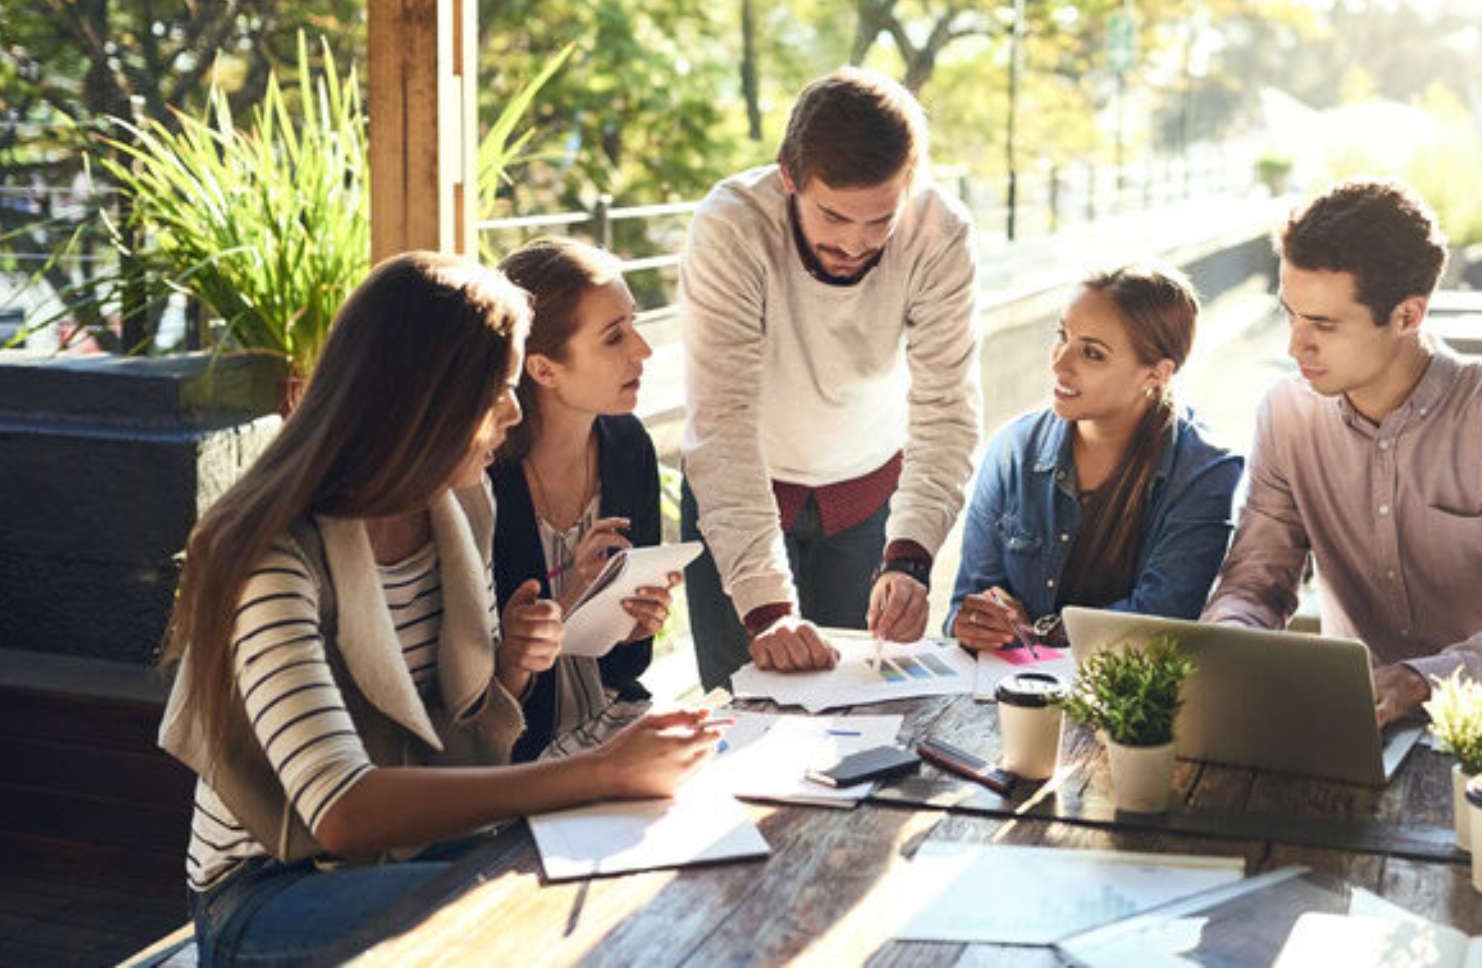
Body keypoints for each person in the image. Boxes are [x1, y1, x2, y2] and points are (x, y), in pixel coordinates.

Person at [158, 253, 721, 965]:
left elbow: (460, 728)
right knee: (538, 928)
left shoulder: (461, 508)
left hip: (424, 852)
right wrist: (600, 772)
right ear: (425, 401)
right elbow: (341, 811)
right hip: (270, 888)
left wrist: (512, 669)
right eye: (499, 390)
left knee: (643, 886)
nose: (515, 412)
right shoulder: (273, 558)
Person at [1202, 179, 1482, 727]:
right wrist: (1228, 647)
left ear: (1408, 316)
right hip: (1346, 726)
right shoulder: (1287, 414)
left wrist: (1417, 683)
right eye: (1290, 314)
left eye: (1323, 324)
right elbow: (1254, 585)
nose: (1295, 345)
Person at [679, 67, 982, 688]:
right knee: (744, 709)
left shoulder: (941, 233)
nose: (855, 244)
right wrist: (767, 609)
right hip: (741, 493)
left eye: (879, 220)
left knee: (856, 708)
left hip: (870, 496)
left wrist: (911, 558)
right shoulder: (733, 225)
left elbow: (947, 410)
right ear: (789, 177)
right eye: (835, 217)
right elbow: (722, 422)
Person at [948, 266, 1242, 650]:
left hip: (1128, 685)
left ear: (1156, 374)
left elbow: (1163, 621)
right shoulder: (1014, 450)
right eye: (1062, 336)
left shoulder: (1205, 472)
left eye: (1092, 354)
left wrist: (1042, 633)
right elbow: (964, 604)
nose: (1059, 363)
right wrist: (976, 623)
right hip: (1009, 681)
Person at [491, 237, 675, 761]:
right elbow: (480, 700)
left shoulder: (628, 445)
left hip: (615, 724)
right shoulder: (483, 479)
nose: (643, 349)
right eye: (614, 337)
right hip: (516, 758)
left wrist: (635, 625)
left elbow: (626, 667)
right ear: (543, 369)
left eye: (633, 323)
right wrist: (568, 603)